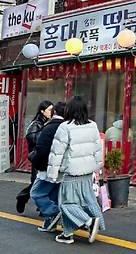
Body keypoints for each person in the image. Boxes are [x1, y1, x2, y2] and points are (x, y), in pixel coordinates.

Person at [48, 96, 104, 245]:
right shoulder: (92, 125)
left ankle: (89, 222)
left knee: (66, 204)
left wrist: (52, 174)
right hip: (87, 172)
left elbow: (57, 153)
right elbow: (98, 149)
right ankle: (67, 234)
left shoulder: (65, 127)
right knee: (86, 201)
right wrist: (98, 167)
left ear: (70, 110)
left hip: (71, 173)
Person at [29, 102, 66, 232]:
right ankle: (50, 224)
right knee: (54, 196)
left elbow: (42, 149)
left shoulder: (49, 127)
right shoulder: (68, 127)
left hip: (47, 168)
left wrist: (35, 161)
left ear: (54, 112)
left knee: (36, 193)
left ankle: (54, 213)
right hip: (62, 169)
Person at [17, 100, 53, 214]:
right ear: (42, 111)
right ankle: (22, 197)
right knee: (36, 183)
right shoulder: (36, 124)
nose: (51, 112)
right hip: (38, 158)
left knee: (46, 182)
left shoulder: (49, 123)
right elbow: (32, 138)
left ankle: (43, 207)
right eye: (49, 110)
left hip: (47, 158)